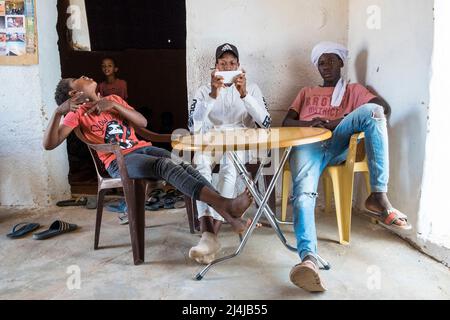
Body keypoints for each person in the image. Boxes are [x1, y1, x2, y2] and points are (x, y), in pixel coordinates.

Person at [44, 75, 254, 234]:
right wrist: (57, 113)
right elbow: (50, 144)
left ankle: (232, 218)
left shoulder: (113, 99)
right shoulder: (76, 114)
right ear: (74, 94)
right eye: (79, 79)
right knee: (165, 166)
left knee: (183, 165)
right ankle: (227, 206)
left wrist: (114, 105)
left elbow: (142, 123)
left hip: (142, 147)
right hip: (120, 160)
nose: (86, 77)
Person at [282, 41, 412, 292]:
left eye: (331, 60)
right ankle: (309, 259)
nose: (326, 66)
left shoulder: (353, 90)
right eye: (321, 62)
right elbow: (287, 122)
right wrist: (313, 125)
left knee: (373, 110)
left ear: (341, 62)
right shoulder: (306, 92)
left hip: (337, 140)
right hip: (307, 145)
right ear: (317, 67)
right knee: (303, 195)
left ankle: (378, 196)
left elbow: (383, 109)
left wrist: (332, 123)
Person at [187, 43, 271, 264]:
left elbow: (265, 122)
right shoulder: (204, 90)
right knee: (200, 167)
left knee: (229, 168)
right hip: (211, 140)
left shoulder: (251, 88)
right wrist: (213, 95)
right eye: (222, 64)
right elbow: (193, 126)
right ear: (215, 68)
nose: (227, 67)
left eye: (232, 63)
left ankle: (209, 236)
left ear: (239, 67)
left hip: (240, 141)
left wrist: (244, 95)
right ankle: (210, 235)